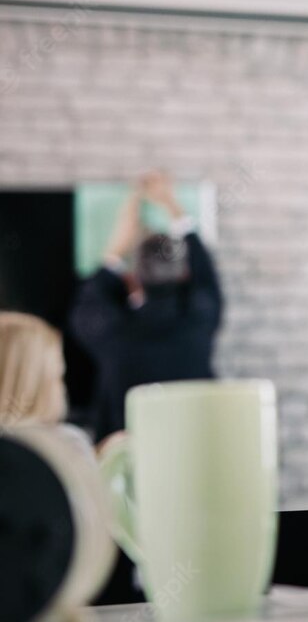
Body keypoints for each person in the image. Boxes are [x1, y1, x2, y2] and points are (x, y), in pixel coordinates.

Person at [69, 171, 222, 441]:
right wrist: (172, 206)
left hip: (125, 467)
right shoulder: (200, 317)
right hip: (198, 452)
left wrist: (116, 247)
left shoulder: (113, 333)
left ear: (133, 278)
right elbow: (206, 276)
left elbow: (85, 307)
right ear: (184, 275)